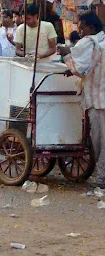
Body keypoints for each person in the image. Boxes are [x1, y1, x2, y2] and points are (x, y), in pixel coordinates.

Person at [59, 12, 105, 189]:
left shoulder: (90, 42)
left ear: (92, 28)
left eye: (82, 27)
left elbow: (81, 70)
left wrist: (66, 56)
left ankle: (102, 179)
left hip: (98, 100)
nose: (80, 31)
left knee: (99, 141)